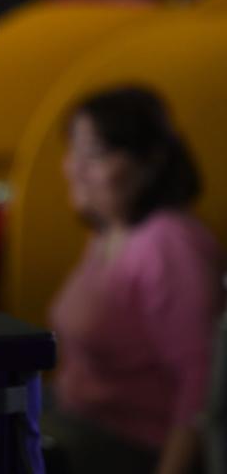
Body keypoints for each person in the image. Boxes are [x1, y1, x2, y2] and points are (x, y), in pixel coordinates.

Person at [47, 86, 224, 474]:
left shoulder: (170, 244)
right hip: (78, 422)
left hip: (131, 447)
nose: (74, 167)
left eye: (93, 154)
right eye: (73, 150)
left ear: (149, 163)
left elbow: (201, 385)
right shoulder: (108, 233)